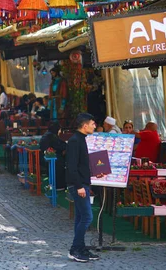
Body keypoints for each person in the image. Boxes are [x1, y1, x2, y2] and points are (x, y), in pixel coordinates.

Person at [66, 113, 100, 263]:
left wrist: (93, 174)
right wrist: (79, 186)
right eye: (92, 124)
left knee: (80, 217)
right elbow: (72, 166)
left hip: (83, 183)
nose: (94, 126)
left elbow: (82, 164)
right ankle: (74, 249)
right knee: (87, 217)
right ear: (85, 125)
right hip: (78, 185)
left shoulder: (83, 140)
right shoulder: (74, 141)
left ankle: (81, 248)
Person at [39, 122, 66, 190]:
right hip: (52, 158)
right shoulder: (51, 136)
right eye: (59, 130)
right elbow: (59, 146)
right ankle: (59, 185)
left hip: (46, 157)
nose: (60, 131)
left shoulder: (49, 134)